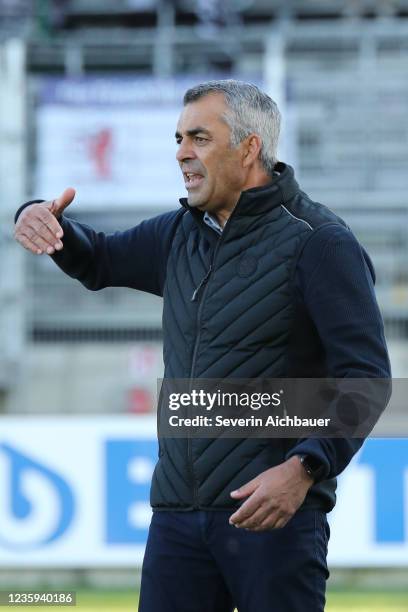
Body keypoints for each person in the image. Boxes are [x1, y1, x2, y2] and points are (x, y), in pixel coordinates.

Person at [14, 80, 390, 612]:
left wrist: (305, 467)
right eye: (178, 138)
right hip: (176, 518)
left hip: (272, 518)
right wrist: (39, 216)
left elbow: (367, 377)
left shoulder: (319, 241)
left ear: (249, 147)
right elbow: (95, 258)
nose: (181, 153)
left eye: (198, 138)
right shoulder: (179, 234)